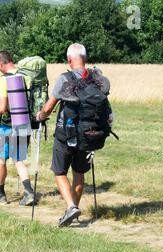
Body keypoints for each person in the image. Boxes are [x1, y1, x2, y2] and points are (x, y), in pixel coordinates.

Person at [37, 43, 113, 227]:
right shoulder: (97, 79)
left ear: (69, 60)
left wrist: (40, 116)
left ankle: (71, 207)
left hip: (66, 134)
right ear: (85, 59)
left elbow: (49, 107)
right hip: (89, 135)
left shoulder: (65, 79)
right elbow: (108, 111)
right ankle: (73, 209)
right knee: (79, 173)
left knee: (59, 171)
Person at [0, 50, 35, 206]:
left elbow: (2, 108)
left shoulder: (3, 80)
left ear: (1, 64)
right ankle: (29, 193)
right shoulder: (26, 77)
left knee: (1, 159)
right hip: (24, 123)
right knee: (18, 159)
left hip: (7, 126)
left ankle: (0, 195)